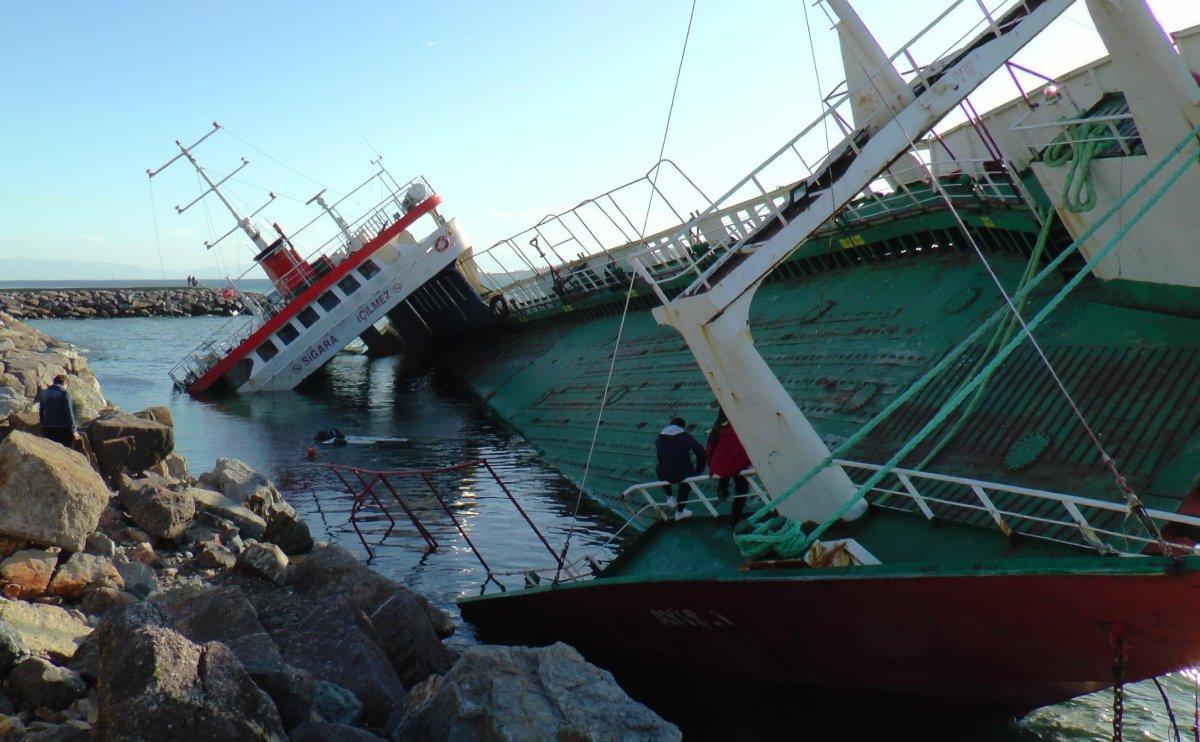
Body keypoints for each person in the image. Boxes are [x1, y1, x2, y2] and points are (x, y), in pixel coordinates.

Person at [655, 416, 706, 521]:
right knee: (686, 482)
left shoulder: (659, 439)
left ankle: (670, 497)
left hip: (667, 474)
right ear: (682, 426)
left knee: (659, 467)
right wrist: (698, 470)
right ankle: (680, 511)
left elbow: (660, 458)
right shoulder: (685, 436)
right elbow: (701, 452)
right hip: (684, 473)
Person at [706, 409, 752, 521]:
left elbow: (710, 448)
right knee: (742, 488)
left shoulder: (717, 427)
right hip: (737, 464)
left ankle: (722, 489)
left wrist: (710, 464)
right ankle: (735, 519)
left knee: (724, 472)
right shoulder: (740, 427)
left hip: (721, 465)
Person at [38, 375, 77, 448]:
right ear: (65, 383)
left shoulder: (45, 393)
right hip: (63, 428)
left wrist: (43, 424)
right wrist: (74, 430)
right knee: (68, 452)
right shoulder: (64, 393)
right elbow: (69, 413)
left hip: (48, 428)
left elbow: (41, 411)